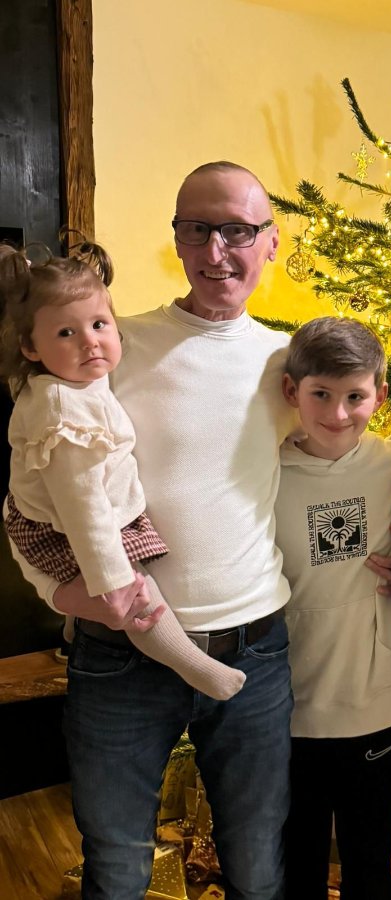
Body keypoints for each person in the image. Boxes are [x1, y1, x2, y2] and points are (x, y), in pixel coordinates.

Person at [6, 162, 298, 900]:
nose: (217, 250)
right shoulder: (109, 345)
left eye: (238, 230)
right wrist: (58, 591)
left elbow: (338, 463)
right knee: (116, 865)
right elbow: (33, 492)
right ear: (177, 239)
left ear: (271, 242)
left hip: (255, 651)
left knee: (258, 864)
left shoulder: (288, 361)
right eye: (197, 229)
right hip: (118, 661)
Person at [0, 239, 245, 702]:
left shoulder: (69, 381)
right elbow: (84, 510)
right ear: (31, 348)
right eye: (66, 333)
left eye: (99, 324)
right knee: (137, 594)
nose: (89, 341)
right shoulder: (65, 415)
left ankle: (75, 620)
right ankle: (194, 665)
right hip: (65, 529)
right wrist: (113, 585)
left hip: (52, 516)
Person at [275, 317, 391, 900]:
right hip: (287, 708)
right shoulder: (265, 472)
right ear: (292, 391)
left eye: (355, 397)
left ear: (379, 395)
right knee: (297, 862)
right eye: (321, 395)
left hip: (373, 705)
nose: (338, 414)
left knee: (368, 862)